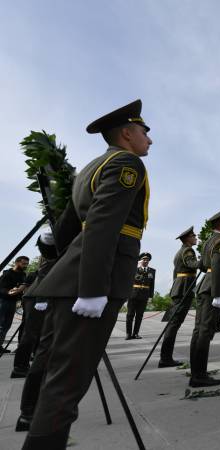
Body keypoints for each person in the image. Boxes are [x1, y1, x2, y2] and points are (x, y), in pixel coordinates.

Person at [21, 99, 152, 448]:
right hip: (96, 281)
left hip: (72, 278)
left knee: (58, 374)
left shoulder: (86, 171)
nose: (149, 140)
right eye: (144, 132)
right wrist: (93, 288)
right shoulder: (127, 163)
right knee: (68, 384)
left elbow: (63, 233)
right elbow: (104, 225)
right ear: (127, 133)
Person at [191, 208, 220, 387]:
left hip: (205, 287)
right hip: (212, 290)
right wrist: (217, 294)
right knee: (205, 331)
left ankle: (196, 372)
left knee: (199, 330)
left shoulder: (209, 241)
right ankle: (199, 376)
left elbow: (202, 264)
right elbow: (216, 265)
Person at [11, 236, 57, 378]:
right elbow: (44, 274)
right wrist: (42, 299)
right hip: (37, 297)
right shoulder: (53, 256)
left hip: (38, 295)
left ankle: (35, 362)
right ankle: (20, 367)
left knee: (37, 332)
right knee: (31, 333)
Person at [158, 226, 199, 368]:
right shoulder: (187, 250)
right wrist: (206, 261)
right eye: (193, 235)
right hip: (183, 290)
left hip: (180, 288)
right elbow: (191, 264)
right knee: (174, 324)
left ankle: (166, 357)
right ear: (187, 238)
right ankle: (165, 358)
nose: (196, 237)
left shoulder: (180, 251)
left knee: (173, 324)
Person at [0, 255, 29, 352]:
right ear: (17, 262)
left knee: (7, 325)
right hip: (4, 301)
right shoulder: (7, 274)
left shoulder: (23, 275)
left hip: (13, 302)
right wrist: (9, 292)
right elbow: (1, 288)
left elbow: (22, 287)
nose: (25, 265)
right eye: (23, 263)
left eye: (26, 264)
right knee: (1, 324)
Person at [126, 252, 155, 339]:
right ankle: (128, 333)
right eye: (144, 259)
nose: (145, 261)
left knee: (139, 315)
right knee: (130, 314)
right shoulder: (134, 269)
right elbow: (129, 281)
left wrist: (150, 297)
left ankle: (135, 333)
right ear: (140, 260)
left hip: (144, 295)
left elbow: (152, 285)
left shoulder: (152, 271)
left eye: (147, 259)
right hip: (133, 294)